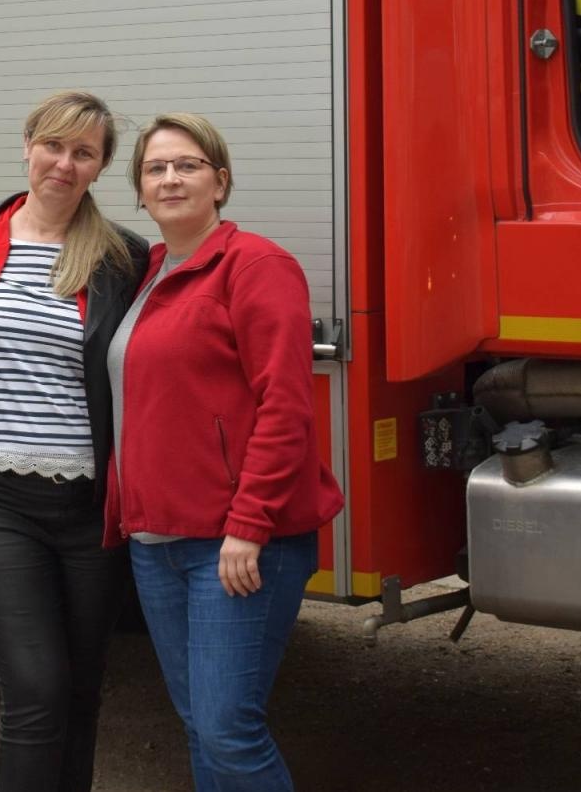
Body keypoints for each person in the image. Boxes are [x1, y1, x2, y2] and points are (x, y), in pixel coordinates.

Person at [106, 112, 344, 792]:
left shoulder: (257, 266)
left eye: (187, 165)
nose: (170, 178)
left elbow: (286, 406)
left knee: (227, 729)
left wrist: (249, 524)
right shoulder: (151, 271)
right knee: (199, 726)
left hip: (237, 544)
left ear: (220, 181)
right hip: (157, 543)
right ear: (140, 190)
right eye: (155, 169)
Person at [0, 91, 149, 792]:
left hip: (90, 509)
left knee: (82, 690)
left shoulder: (123, 256)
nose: (63, 163)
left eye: (83, 152)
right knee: (35, 688)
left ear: (100, 168)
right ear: (27, 145)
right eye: (53, 145)